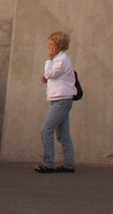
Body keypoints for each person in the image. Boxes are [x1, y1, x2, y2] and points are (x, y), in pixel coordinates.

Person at [34, 31, 76, 174]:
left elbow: (50, 74)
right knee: (63, 134)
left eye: (51, 44)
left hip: (62, 100)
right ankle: (68, 164)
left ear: (57, 46)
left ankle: (48, 163)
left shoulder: (60, 59)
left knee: (46, 130)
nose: (49, 47)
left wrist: (49, 60)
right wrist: (48, 75)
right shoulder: (61, 59)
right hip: (60, 99)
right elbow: (53, 76)